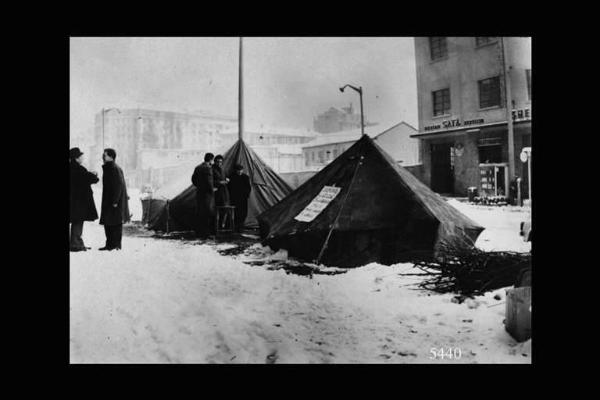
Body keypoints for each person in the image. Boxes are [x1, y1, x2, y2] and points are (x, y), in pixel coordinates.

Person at [99, 148, 130, 250]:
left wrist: (115, 200)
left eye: (105, 155)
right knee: (108, 223)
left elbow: (119, 185)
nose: (104, 157)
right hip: (109, 200)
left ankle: (115, 245)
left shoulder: (114, 168)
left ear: (111, 157)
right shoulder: (109, 167)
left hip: (113, 201)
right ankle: (110, 245)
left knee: (115, 224)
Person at [70, 147, 99, 252]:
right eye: (81, 156)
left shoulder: (73, 168)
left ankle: (76, 243)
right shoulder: (78, 169)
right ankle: (76, 244)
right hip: (80, 202)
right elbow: (92, 179)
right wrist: (94, 174)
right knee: (78, 221)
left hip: (74, 201)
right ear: (76, 158)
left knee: (76, 221)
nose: (82, 158)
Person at [191, 152, 217, 238]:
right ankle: (206, 233)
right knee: (208, 213)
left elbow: (193, 179)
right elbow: (209, 182)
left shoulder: (197, 167)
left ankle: (199, 232)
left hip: (199, 193)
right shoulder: (208, 168)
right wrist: (212, 189)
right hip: (207, 195)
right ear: (211, 159)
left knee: (200, 212)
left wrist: (199, 186)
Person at [228, 163, 251, 233]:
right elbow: (229, 188)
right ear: (235, 170)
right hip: (234, 198)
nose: (240, 172)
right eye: (238, 170)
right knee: (235, 213)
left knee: (243, 213)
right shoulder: (232, 177)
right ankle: (235, 227)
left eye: (241, 170)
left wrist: (246, 195)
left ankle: (241, 227)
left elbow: (248, 188)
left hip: (243, 198)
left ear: (243, 170)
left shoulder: (246, 177)